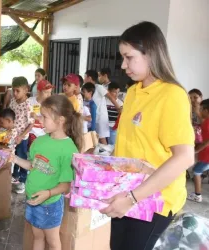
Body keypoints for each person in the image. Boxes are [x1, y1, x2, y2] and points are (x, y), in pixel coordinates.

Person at [99, 21, 194, 250]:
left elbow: (184, 157)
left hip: (153, 201)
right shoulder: (133, 92)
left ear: (151, 53)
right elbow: (132, 144)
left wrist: (133, 198)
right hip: (126, 191)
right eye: (122, 57)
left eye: (129, 57)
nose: (123, 65)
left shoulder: (171, 95)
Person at [10, 95, 83, 250]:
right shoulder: (39, 141)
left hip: (50, 204)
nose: (39, 120)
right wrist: (14, 158)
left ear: (60, 120)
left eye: (44, 117)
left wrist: (48, 193)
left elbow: (66, 186)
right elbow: (32, 166)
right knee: (37, 237)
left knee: (53, 241)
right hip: (32, 199)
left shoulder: (69, 150)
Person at [9, 77, 34, 193]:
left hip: (22, 138)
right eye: (13, 90)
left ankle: (23, 180)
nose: (15, 93)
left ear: (26, 90)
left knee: (22, 156)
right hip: (12, 135)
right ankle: (15, 176)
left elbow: (31, 124)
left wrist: (21, 136)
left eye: (17, 91)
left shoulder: (28, 105)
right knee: (12, 156)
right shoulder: (13, 101)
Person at [84, 70, 121, 144]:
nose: (84, 79)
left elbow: (110, 97)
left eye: (85, 77)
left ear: (89, 78)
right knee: (94, 138)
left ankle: (106, 154)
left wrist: (118, 108)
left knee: (102, 138)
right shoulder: (87, 89)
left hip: (100, 118)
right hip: (93, 118)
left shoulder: (99, 87)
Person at [187, 99, 209, 203]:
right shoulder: (206, 121)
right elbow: (201, 119)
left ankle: (197, 195)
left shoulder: (207, 123)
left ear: (206, 110)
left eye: (201, 109)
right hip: (205, 155)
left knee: (196, 171)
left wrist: (196, 150)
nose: (199, 110)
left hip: (207, 155)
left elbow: (206, 142)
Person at [28, 79, 54, 147]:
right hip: (31, 131)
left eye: (50, 92)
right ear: (38, 92)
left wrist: (37, 117)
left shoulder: (51, 105)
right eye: (46, 92)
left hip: (44, 132)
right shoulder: (30, 101)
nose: (49, 95)